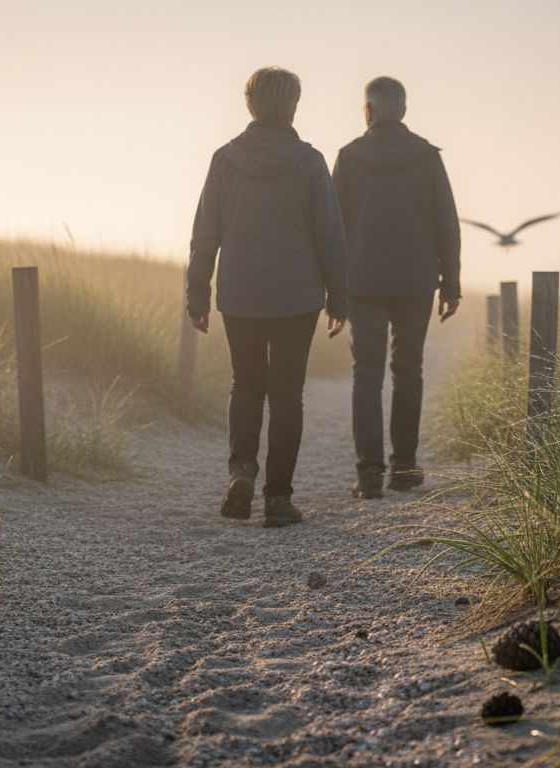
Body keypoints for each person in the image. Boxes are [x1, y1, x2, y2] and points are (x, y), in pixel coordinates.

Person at [186, 66, 349, 527]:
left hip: (240, 292)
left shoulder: (224, 160)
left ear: (249, 104)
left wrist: (197, 293)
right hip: (297, 295)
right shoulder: (311, 162)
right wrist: (340, 300)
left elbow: (205, 234)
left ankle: (241, 471)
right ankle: (278, 499)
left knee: (246, 384)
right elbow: (330, 238)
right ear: (293, 105)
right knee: (286, 395)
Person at [332, 76, 461, 499]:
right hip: (414, 281)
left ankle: (369, 474)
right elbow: (447, 223)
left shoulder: (349, 158)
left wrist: (333, 289)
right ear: (402, 111)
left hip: (362, 281)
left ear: (367, 111)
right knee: (409, 370)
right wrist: (451, 284)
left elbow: (333, 229)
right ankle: (404, 467)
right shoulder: (426, 157)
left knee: (365, 375)